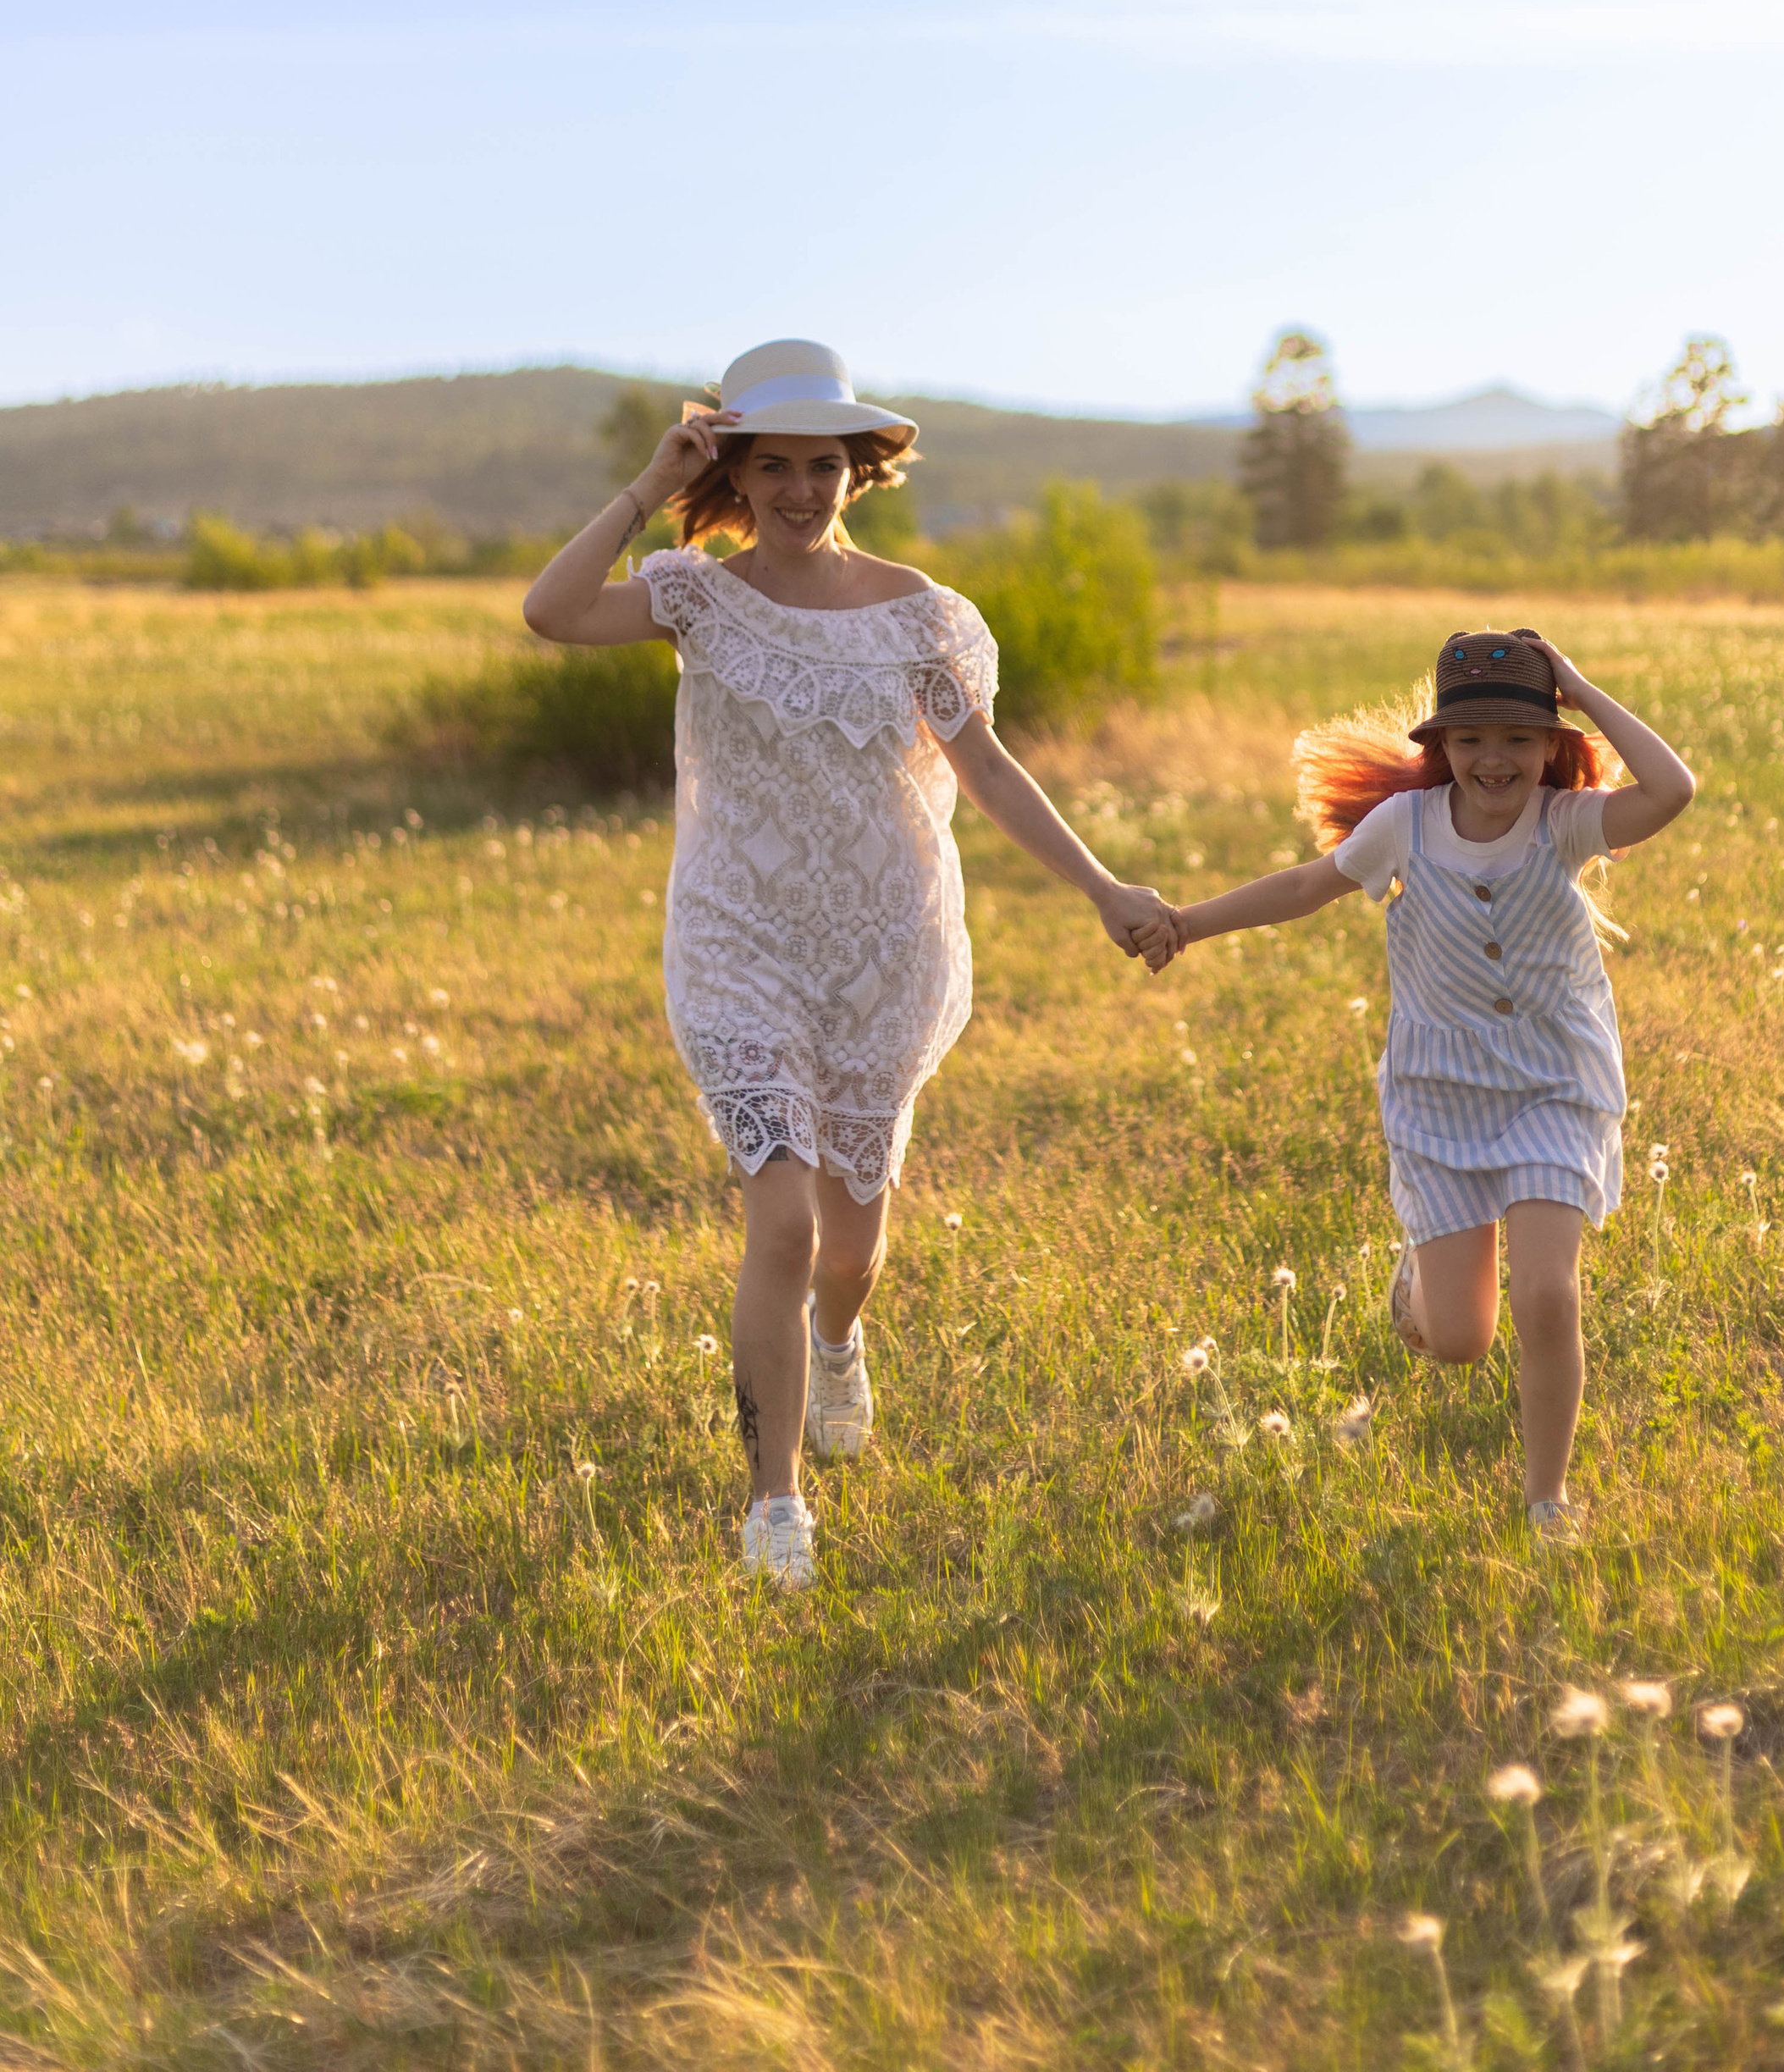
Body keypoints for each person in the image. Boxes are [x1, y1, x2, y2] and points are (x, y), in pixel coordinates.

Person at [522, 338, 1172, 1587]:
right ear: (736, 470)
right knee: (778, 1219)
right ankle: (776, 1508)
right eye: (775, 467)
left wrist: (1102, 888)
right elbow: (551, 613)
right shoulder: (695, 594)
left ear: (858, 473)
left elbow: (986, 771)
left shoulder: (920, 614)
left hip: (887, 945)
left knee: (851, 1247)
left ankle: (835, 1343)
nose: (802, 490)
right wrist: (647, 488)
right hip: (737, 941)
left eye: (825, 466)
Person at [1147, 629, 1693, 1537]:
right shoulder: (1403, 827)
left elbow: (1671, 791)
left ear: (1549, 747)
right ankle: (1417, 1290)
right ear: (1438, 747)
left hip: (1554, 1087)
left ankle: (1546, 1499)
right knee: (1460, 1340)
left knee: (1547, 1296)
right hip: (1439, 1098)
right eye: (1469, 738)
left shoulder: (1565, 823)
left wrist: (1584, 689)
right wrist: (1185, 925)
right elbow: (1298, 890)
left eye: (1517, 738)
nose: (1493, 759)